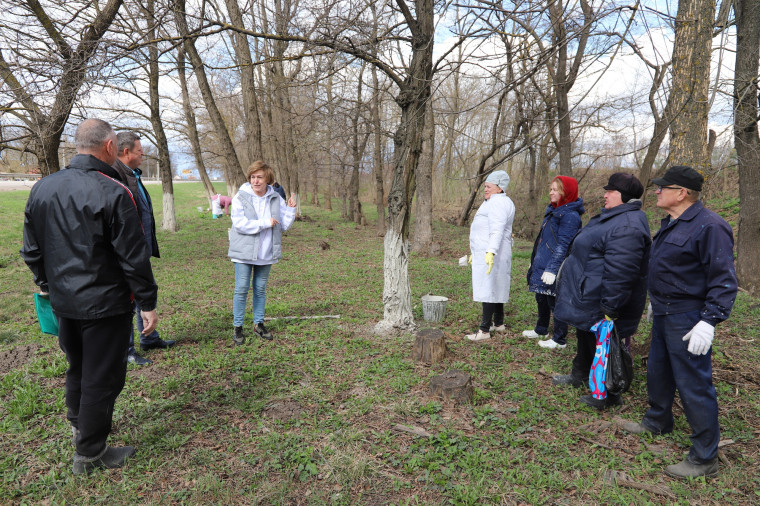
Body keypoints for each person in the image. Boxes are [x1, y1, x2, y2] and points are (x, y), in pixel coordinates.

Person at [20, 119, 158, 475]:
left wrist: (47, 285)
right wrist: (148, 302)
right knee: (102, 376)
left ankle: (79, 425)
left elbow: (31, 250)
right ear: (110, 147)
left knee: (79, 367)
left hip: (66, 301)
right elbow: (133, 256)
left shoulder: (42, 188)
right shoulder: (113, 190)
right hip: (105, 304)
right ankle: (90, 452)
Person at [620, 166, 737, 479]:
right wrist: (654, 301)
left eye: (662, 187)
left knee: (693, 383)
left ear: (682, 193)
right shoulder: (672, 223)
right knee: (658, 370)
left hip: (689, 317)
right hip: (664, 311)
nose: (656, 191)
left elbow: (723, 279)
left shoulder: (710, 226)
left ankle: (704, 457)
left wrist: (709, 321)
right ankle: (657, 420)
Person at [552, 173, 651, 409]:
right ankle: (579, 375)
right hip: (590, 292)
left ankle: (609, 393)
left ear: (624, 197)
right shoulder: (614, 217)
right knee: (585, 334)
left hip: (604, 297)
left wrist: (610, 305)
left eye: (610, 192)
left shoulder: (627, 225)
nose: (604, 195)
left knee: (605, 343)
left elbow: (622, 270)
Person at [112, 132, 175, 366]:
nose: (143, 154)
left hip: (140, 250)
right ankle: (127, 349)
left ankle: (149, 338)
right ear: (126, 152)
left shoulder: (133, 174)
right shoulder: (116, 176)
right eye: (140, 151)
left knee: (142, 293)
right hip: (127, 252)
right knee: (127, 299)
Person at [229, 161, 297, 345]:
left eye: (260, 177)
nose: (256, 181)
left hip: (266, 251)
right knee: (242, 289)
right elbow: (240, 224)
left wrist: (290, 210)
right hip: (243, 251)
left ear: (268, 179)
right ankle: (238, 328)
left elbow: (283, 225)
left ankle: (258, 324)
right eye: (253, 177)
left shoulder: (275, 198)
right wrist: (265, 222)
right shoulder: (241, 197)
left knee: (260, 289)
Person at [523, 176, 585, 349]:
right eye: (550, 189)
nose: (551, 192)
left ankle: (559, 339)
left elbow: (564, 245)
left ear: (566, 193)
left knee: (555, 300)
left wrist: (552, 269)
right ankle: (541, 329)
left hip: (556, 266)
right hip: (543, 263)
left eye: (556, 189)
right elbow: (542, 240)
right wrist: (534, 261)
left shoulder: (570, 216)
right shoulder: (553, 211)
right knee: (541, 296)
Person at [465, 170, 515, 342]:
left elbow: (497, 229)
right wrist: (475, 253)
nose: (485, 189)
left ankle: (484, 330)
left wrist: (490, 252)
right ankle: (499, 323)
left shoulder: (498, 203)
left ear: (499, 188)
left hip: (492, 253)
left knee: (488, 288)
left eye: (489, 187)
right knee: (496, 285)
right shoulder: (493, 201)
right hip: (486, 252)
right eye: (485, 186)